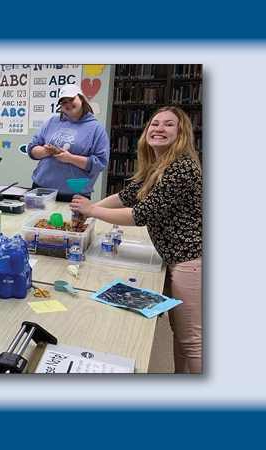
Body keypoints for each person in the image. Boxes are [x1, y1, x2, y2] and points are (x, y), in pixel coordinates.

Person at [70, 106, 202, 373]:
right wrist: (90, 212)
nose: (159, 129)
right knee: (179, 329)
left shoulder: (182, 168)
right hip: (174, 256)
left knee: (192, 339)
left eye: (169, 125)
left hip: (191, 259)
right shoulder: (157, 164)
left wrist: (91, 210)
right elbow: (126, 197)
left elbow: (141, 213)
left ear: (182, 133)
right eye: (155, 123)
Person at [27, 84, 110, 202]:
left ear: (81, 98)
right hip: (42, 188)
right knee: (37, 220)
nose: (68, 104)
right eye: (63, 102)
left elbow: (100, 163)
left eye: (71, 99)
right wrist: (45, 151)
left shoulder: (96, 128)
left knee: (72, 221)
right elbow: (32, 149)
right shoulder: (52, 122)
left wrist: (70, 158)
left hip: (74, 193)